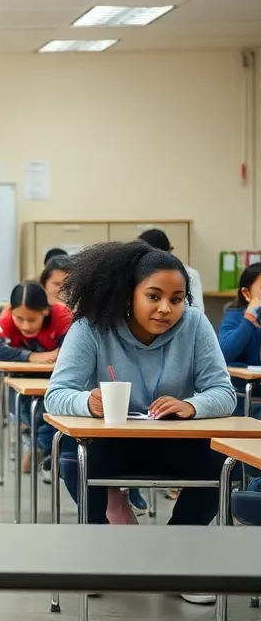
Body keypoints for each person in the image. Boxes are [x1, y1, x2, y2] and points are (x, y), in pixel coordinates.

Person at [44, 241, 234, 606]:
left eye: (177, 299)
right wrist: (88, 401)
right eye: (154, 296)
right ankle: (98, 553)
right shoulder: (92, 326)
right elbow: (57, 394)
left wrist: (191, 406)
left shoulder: (194, 324)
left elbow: (223, 392)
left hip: (175, 441)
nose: (166, 308)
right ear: (128, 294)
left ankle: (177, 557)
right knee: (72, 456)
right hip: (112, 443)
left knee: (222, 462)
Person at [0, 283, 72, 473]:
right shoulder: (8, 317)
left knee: (45, 408)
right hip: (23, 376)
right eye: (19, 319)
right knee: (21, 400)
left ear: (45, 311)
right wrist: (31, 356)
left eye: (32, 319)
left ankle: (42, 447)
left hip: (55, 379)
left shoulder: (61, 315)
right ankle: (37, 443)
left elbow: (73, 348)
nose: (25, 326)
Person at [218, 262, 261, 416]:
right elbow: (225, 353)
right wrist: (248, 319)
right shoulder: (235, 316)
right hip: (243, 398)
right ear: (246, 293)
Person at [138, 228, 204, 311]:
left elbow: (197, 312)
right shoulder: (137, 273)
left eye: (175, 299)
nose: (164, 309)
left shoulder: (189, 274)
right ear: (170, 249)